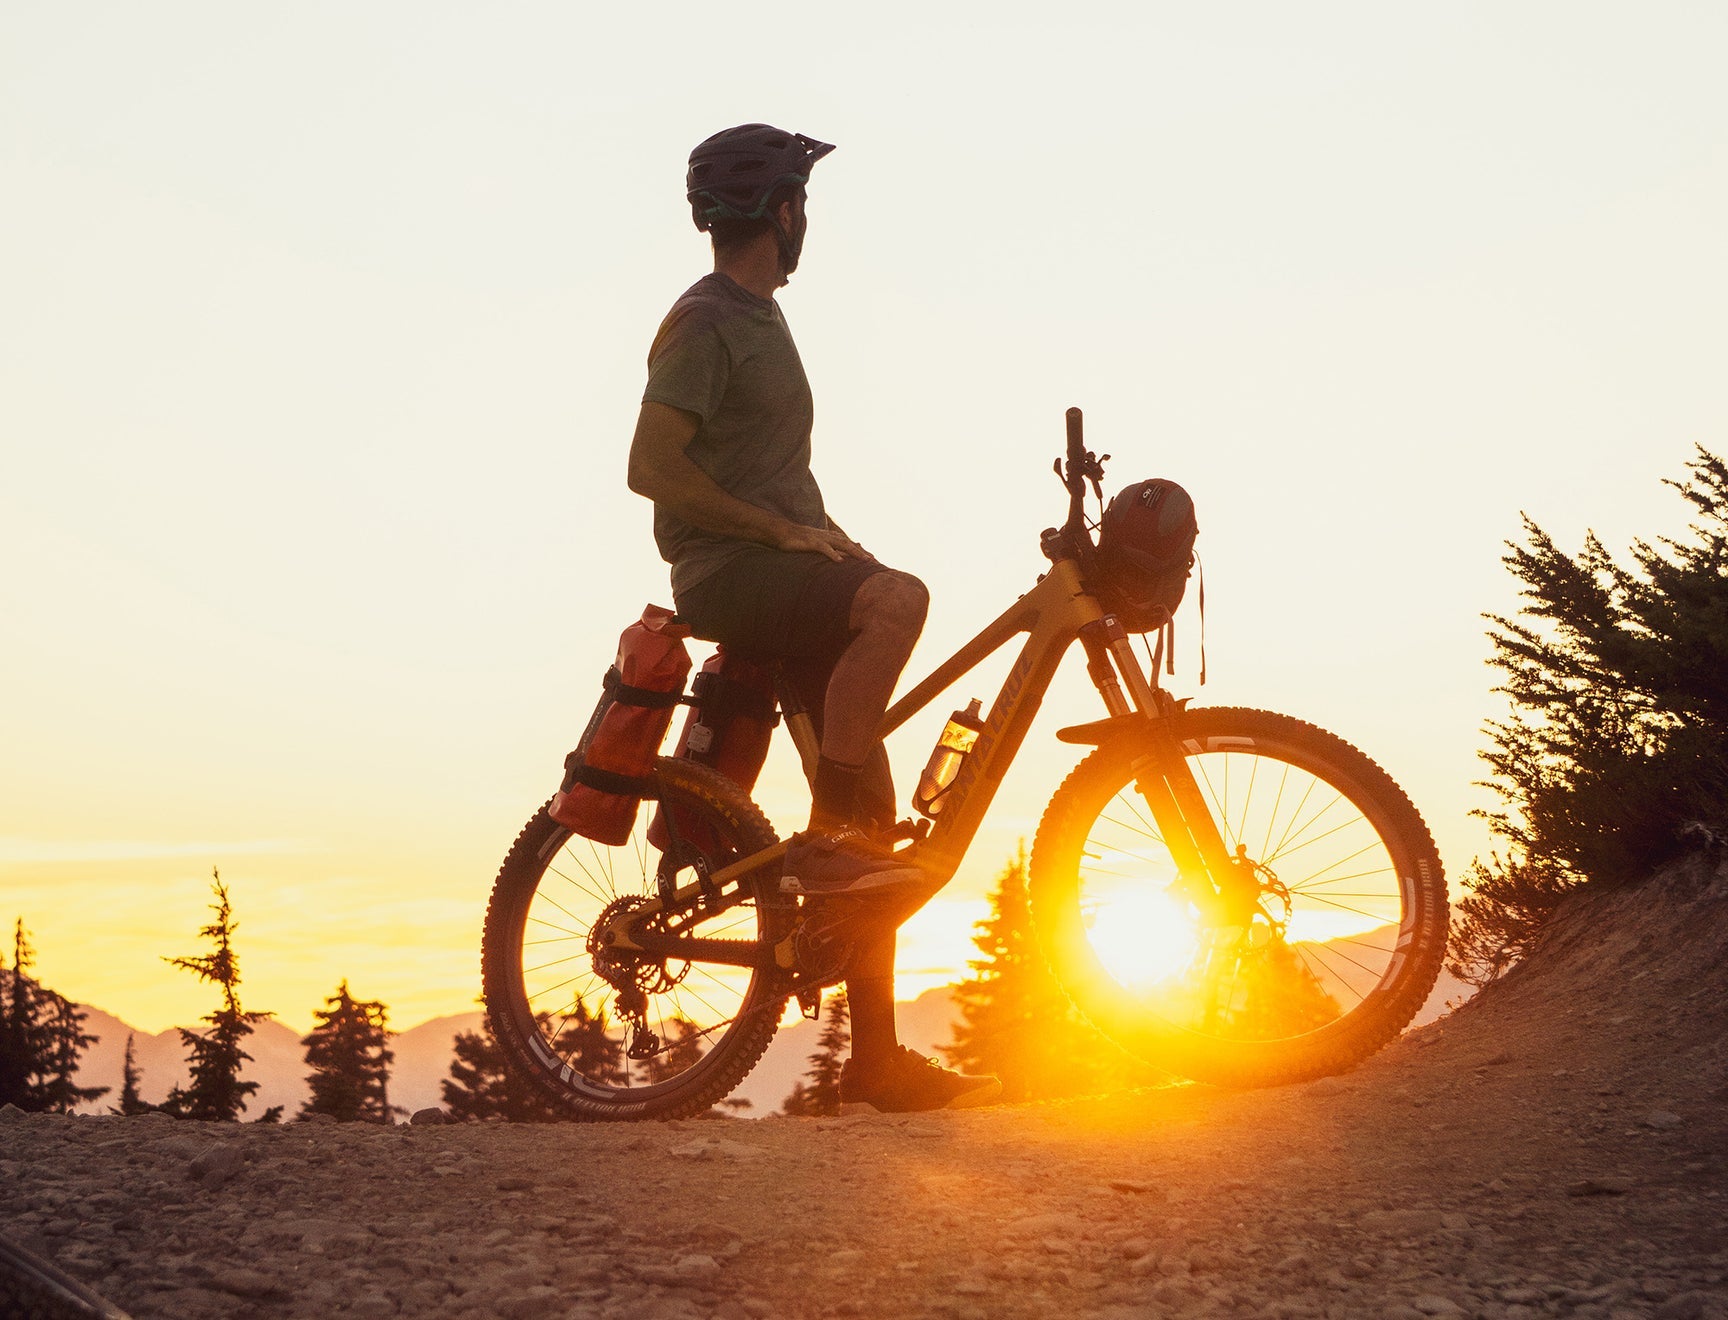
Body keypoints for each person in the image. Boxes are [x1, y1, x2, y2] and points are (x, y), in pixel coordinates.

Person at [626, 124, 1000, 1114]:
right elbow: (651, 468)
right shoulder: (706, 321)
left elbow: (773, 472)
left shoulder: (759, 315)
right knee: (901, 604)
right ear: (776, 209)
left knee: (876, 832)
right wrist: (777, 535)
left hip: (778, 561)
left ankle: (876, 1061)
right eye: (800, 201)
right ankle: (833, 836)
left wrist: (827, 538)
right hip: (727, 573)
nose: (806, 221)